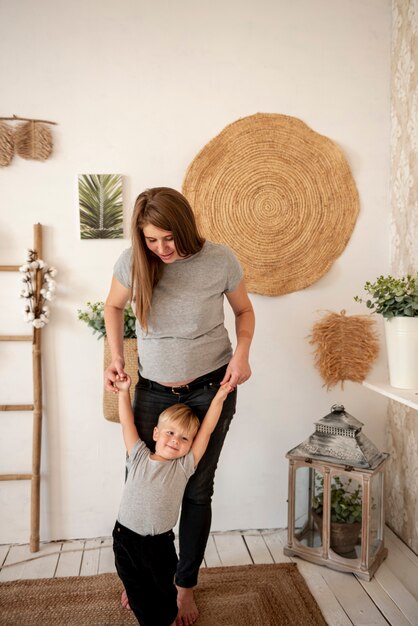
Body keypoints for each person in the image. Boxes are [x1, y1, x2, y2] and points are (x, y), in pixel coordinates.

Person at [104, 187, 255, 626]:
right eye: (152, 240)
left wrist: (242, 353)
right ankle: (141, 577)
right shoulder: (134, 261)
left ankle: (183, 585)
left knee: (196, 490)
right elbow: (114, 306)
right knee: (143, 480)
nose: (161, 249)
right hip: (152, 390)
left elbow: (244, 312)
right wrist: (117, 356)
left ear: (185, 227)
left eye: (169, 238)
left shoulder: (220, 259)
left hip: (211, 387)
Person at [113, 373, 233, 626]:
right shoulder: (138, 456)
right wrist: (123, 391)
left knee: (164, 596)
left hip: (159, 545)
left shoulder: (184, 466)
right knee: (135, 585)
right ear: (155, 433)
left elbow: (208, 430)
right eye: (170, 432)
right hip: (125, 538)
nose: (175, 441)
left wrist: (220, 397)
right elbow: (127, 424)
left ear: (190, 445)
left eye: (184, 438)